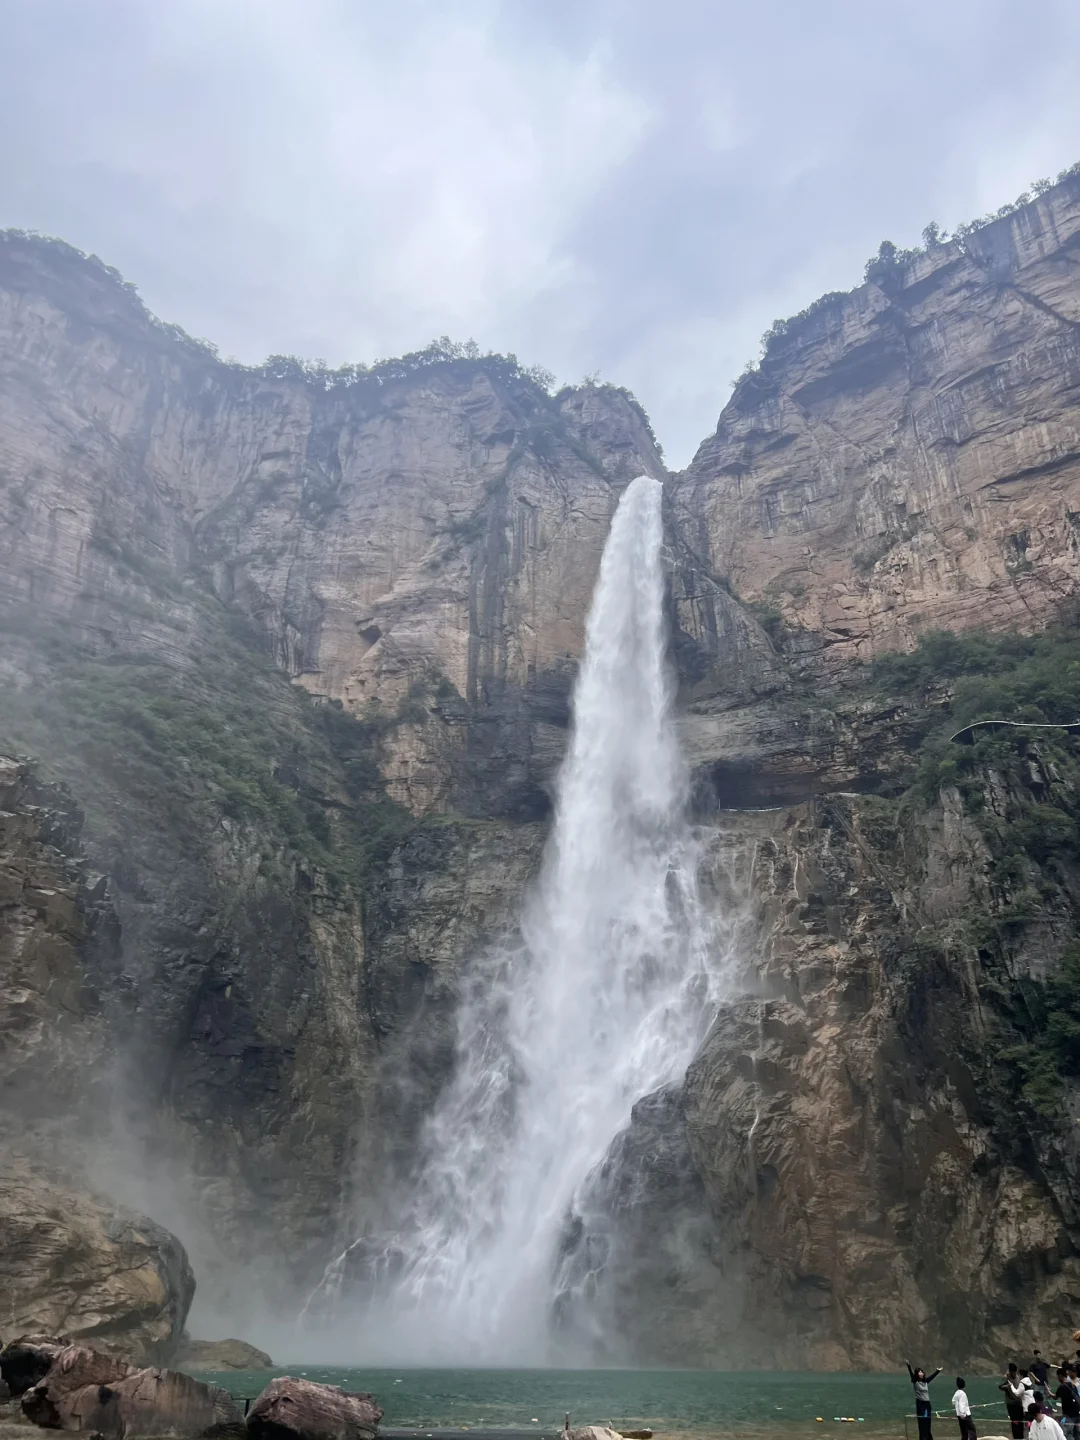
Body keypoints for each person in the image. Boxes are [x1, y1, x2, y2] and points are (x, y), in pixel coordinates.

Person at [908, 1363, 943, 1440]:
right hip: (921, 1405)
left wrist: (937, 1371)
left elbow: (932, 1377)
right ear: (917, 1375)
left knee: (928, 1422)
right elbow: (912, 1375)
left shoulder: (925, 1382)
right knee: (922, 1423)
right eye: (919, 1372)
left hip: (927, 1404)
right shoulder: (916, 1382)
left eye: (921, 1372)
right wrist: (909, 1366)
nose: (921, 1373)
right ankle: (922, 1438)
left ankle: (929, 1438)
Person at [1002, 1364, 1029, 1440]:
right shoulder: (1006, 1378)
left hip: (1019, 1403)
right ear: (1010, 1371)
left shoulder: (1018, 1377)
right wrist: (1006, 1387)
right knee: (1014, 1421)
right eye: (1012, 1372)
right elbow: (1000, 1387)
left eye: (1015, 1372)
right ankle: (1016, 1437)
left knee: (1021, 1420)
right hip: (1011, 1403)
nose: (1013, 1374)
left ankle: (1021, 1436)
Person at [1055, 1369, 1080, 1440]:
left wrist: (1049, 1392)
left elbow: (1055, 1397)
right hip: (1077, 1414)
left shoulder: (1062, 1386)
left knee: (1068, 1434)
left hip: (1068, 1415)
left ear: (1060, 1376)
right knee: (1077, 1434)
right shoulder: (1073, 1385)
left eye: (1057, 1376)